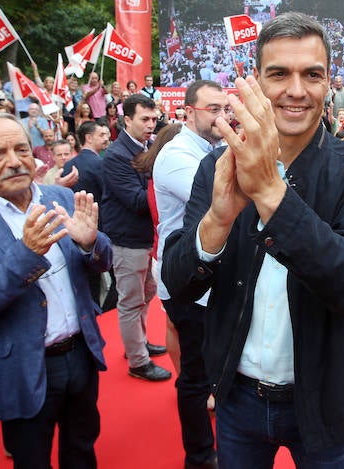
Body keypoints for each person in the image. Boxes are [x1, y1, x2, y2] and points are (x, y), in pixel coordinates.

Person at [162, 13, 344, 467]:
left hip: (327, 401)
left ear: (329, 83)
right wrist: (219, 219)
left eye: (312, 74)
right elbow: (179, 281)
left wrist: (270, 191)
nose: (296, 89)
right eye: (278, 74)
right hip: (237, 397)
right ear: (256, 82)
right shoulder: (216, 167)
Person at [0, 111, 112, 467]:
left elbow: (101, 260)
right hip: (21, 366)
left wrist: (92, 243)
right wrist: (26, 254)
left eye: (22, 149)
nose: (14, 162)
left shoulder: (58, 196)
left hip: (80, 354)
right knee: (31, 458)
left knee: (82, 448)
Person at [154, 80, 228, 469]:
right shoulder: (178, 155)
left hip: (210, 278)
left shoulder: (214, 150)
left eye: (225, 108)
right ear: (188, 112)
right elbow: (225, 202)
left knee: (209, 365)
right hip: (186, 281)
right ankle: (200, 457)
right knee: (195, 375)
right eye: (212, 108)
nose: (222, 116)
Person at [102, 94, 171, 382]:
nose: (150, 125)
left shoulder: (149, 146)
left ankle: (138, 344)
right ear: (126, 119)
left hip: (143, 238)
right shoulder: (116, 156)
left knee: (147, 292)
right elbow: (136, 201)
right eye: (144, 119)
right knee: (131, 300)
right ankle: (138, 361)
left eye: (154, 120)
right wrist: (168, 190)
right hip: (127, 239)